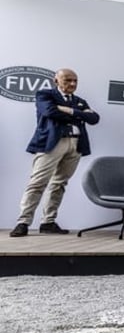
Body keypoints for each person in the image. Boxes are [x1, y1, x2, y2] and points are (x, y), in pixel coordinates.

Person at [11, 68, 100, 237]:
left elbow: (94, 119)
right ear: (56, 80)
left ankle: (48, 222)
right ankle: (23, 222)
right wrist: (80, 115)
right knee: (37, 182)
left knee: (59, 183)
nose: (72, 84)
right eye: (67, 80)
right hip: (52, 143)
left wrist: (69, 110)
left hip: (75, 144)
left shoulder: (80, 101)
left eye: (75, 80)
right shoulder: (45, 95)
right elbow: (50, 112)